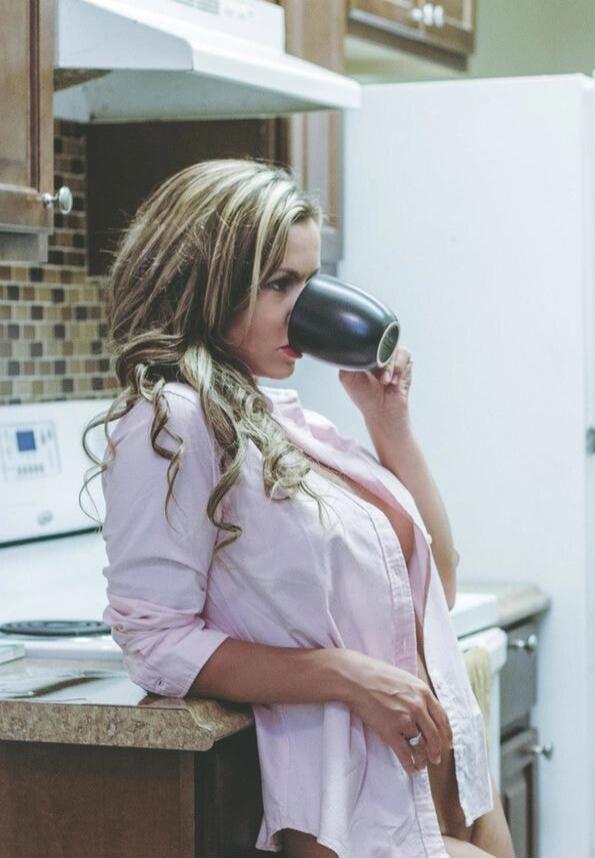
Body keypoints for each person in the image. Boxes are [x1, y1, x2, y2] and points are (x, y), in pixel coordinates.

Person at [83, 159, 515, 858]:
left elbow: (440, 581)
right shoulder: (174, 421)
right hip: (363, 808)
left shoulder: (284, 417)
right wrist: (344, 676)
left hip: (454, 779)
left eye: (310, 283)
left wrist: (389, 424)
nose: (304, 310)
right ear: (206, 283)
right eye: (279, 284)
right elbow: (155, 642)